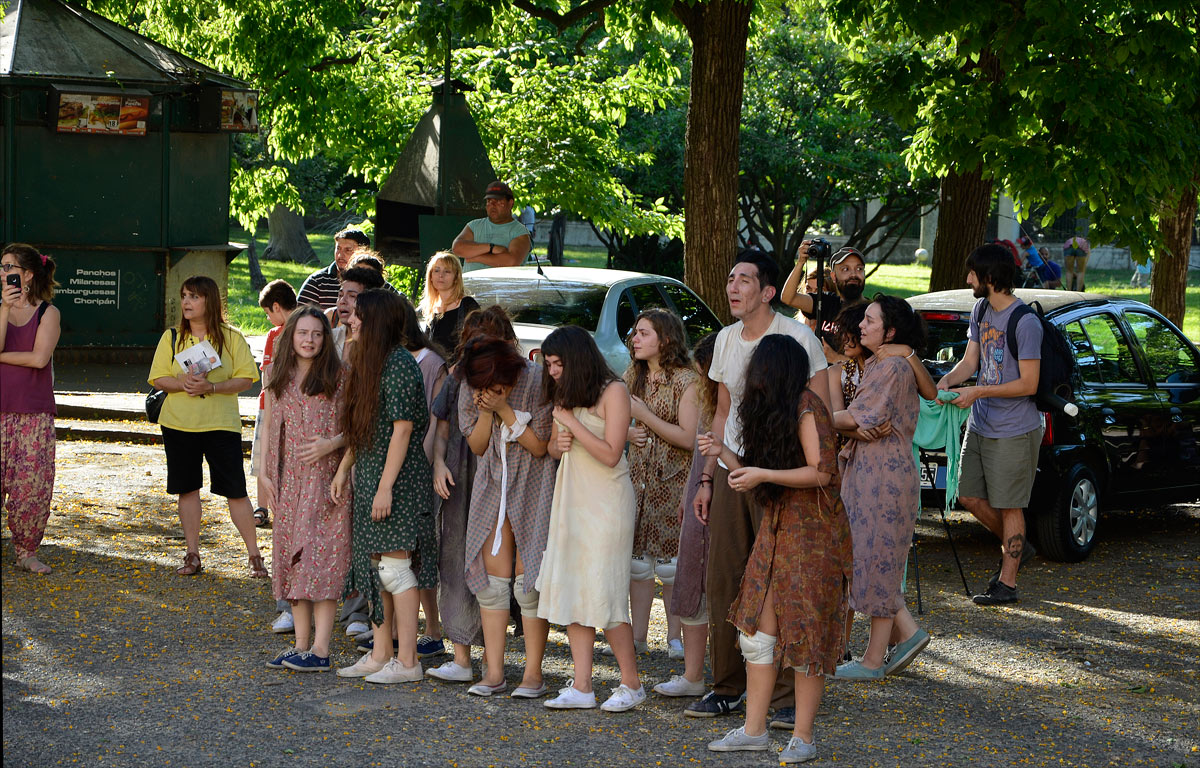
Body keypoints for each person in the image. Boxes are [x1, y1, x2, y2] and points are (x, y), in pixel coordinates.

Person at [688, 249, 829, 722]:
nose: (732, 286)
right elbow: (722, 413)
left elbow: (821, 409)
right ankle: (728, 686)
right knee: (726, 574)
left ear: (768, 291)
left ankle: (786, 699)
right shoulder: (726, 340)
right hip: (732, 469)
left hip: (785, 473)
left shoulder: (797, 338)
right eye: (729, 278)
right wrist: (709, 477)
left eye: (744, 279)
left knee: (782, 580)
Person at [699, 335, 851, 763]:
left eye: (759, 368)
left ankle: (803, 738)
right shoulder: (774, 410)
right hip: (781, 527)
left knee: (805, 639)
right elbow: (756, 472)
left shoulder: (807, 406)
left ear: (777, 369)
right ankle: (754, 731)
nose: (752, 377)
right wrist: (722, 452)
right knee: (758, 637)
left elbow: (822, 473)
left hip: (815, 534)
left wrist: (762, 472)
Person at [538, 326, 646, 712]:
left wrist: (574, 426)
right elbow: (553, 447)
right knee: (573, 587)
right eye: (549, 364)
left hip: (607, 501)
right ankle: (582, 685)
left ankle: (631, 684)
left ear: (577, 359)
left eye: (557, 363)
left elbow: (612, 453)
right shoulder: (566, 392)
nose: (551, 371)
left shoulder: (613, 391)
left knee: (606, 591)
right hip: (571, 498)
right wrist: (557, 443)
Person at [331, 289, 436, 683]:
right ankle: (380, 654)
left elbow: (403, 430)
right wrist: (345, 468)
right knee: (376, 571)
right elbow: (365, 430)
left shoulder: (399, 366)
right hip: (373, 476)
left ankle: (408, 663)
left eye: (358, 315)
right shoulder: (368, 362)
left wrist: (386, 488)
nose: (350, 319)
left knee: (395, 571)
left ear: (377, 320)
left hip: (398, 482)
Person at [936, 243, 1043, 606]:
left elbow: (1028, 384)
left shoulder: (1025, 323)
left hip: (1015, 429)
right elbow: (970, 361)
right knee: (967, 495)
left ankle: (1007, 584)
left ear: (991, 278)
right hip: (982, 425)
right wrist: (946, 382)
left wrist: (978, 392)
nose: (968, 280)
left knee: (1011, 506)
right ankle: (1018, 546)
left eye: (973, 274)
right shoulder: (981, 309)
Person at [831, 295, 930, 680]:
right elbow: (859, 422)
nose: (861, 326)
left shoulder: (891, 367)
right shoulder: (884, 364)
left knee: (875, 558)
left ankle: (874, 660)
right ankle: (906, 634)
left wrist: (810, 413)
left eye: (870, 321)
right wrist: (851, 425)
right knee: (871, 557)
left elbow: (860, 417)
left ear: (889, 331)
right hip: (874, 470)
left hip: (883, 476)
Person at [457, 333, 555, 698]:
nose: (488, 388)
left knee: (528, 583)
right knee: (492, 585)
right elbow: (478, 445)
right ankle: (494, 672)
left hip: (534, 482)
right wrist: (486, 410)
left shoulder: (536, 379)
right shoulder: (473, 388)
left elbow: (541, 445)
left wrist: (504, 409)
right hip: (493, 482)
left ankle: (533, 675)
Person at [147, 276, 263, 577]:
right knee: (187, 489)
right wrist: (182, 383)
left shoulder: (231, 337)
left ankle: (255, 557)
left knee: (236, 490)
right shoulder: (171, 337)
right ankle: (192, 554)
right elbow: (158, 377)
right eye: (184, 295)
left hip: (221, 424)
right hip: (178, 424)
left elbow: (247, 378)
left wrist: (212, 387)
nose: (186, 302)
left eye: (194, 297)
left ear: (209, 301)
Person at [425, 306, 515, 684]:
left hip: (505, 473)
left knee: (501, 566)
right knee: (456, 556)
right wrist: (438, 464)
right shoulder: (457, 376)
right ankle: (461, 656)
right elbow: (440, 429)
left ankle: (499, 659)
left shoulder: (517, 376)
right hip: (461, 473)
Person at [259, 307, 350, 672]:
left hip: (327, 481)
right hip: (288, 480)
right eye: (303, 333)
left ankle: (322, 648)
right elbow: (269, 426)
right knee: (291, 559)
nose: (310, 340)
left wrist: (330, 445)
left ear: (325, 339)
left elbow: (358, 428)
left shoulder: (338, 376)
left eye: (317, 333)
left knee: (322, 561)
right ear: (290, 336)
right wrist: (264, 474)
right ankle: (300, 646)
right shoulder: (276, 374)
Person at [620, 309, 699, 659]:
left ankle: (674, 638)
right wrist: (628, 430)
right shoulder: (630, 377)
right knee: (637, 564)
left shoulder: (686, 380)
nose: (635, 339)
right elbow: (613, 422)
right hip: (637, 482)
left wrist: (645, 419)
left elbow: (689, 437)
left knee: (670, 566)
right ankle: (637, 637)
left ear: (664, 339)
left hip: (675, 482)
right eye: (635, 333)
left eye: (643, 333)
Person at [656, 332, 718, 698]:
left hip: (724, 490)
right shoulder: (708, 395)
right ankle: (693, 675)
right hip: (700, 489)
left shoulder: (729, 397)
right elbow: (699, 451)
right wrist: (690, 489)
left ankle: (729, 676)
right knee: (691, 573)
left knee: (718, 581)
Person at [1, 244, 61, 575]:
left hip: (33, 415)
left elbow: (39, 358)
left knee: (30, 487)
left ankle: (26, 551)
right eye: (0, 266)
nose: (2, 273)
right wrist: (3, 311)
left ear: (26, 275)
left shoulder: (48, 313)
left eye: (8, 266)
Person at [396, 294, 449, 659]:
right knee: (400, 554)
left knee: (424, 550)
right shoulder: (388, 360)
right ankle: (402, 630)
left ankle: (433, 629)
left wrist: (425, 462)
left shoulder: (431, 362)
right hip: (394, 467)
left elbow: (435, 419)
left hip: (419, 464)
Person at [251, 279, 298, 532]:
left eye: (268, 313)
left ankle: (263, 507)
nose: (269, 318)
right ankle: (267, 506)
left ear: (276, 307)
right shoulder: (308, 327)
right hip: (279, 405)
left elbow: (265, 374)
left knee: (265, 456)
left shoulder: (277, 334)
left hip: (271, 405)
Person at [780, 244, 867, 346]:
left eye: (859, 269)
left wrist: (835, 358)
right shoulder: (826, 303)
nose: (853, 274)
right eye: (845, 269)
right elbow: (788, 298)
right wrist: (800, 262)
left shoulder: (873, 311)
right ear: (834, 276)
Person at [451, 181, 531, 271]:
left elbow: (511, 261)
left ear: (510, 203)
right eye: (489, 201)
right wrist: (492, 248)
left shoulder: (520, 232)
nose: (492, 205)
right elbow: (457, 248)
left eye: (498, 201)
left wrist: (475, 258)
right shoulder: (474, 225)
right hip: (470, 284)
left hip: (500, 285)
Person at [418, 251, 480, 362]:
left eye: (447, 271)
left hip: (460, 374)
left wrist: (455, 370)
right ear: (430, 276)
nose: (441, 275)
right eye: (436, 270)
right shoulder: (430, 309)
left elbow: (476, 344)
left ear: (456, 278)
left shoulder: (466, 304)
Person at [297, 227, 371, 309]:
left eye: (348, 250)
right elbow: (299, 317)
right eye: (338, 249)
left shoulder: (377, 284)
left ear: (363, 253)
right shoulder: (317, 282)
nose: (340, 255)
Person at [330, 266, 385, 359]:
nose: (342, 301)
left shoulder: (382, 345)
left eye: (352, 296)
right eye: (340, 295)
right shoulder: (330, 339)